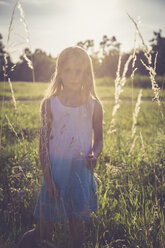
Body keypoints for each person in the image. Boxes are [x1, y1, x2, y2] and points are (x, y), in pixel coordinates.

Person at [18, 46, 103, 248]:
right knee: (43, 230)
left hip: (79, 172)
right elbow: (43, 145)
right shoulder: (50, 104)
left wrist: (94, 154)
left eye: (79, 71)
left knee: (77, 231)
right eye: (68, 70)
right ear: (59, 72)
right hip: (55, 173)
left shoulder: (93, 105)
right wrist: (48, 178)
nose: (73, 76)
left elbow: (99, 139)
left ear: (87, 73)